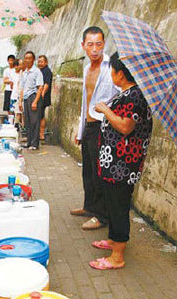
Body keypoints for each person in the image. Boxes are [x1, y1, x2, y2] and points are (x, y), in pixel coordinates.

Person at [89, 52, 153, 270]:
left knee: (118, 207)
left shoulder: (136, 97)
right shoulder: (126, 93)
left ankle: (117, 256)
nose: (111, 74)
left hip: (122, 166)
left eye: (113, 70)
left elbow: (126, 126)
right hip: (112, 163)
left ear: (120, 73)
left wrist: (106, 110)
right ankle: (114, 241)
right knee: (112, 203)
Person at [70, 26, 119, 231]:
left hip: (104, 126)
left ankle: (101, 215)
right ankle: (89, 207)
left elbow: (120, 95)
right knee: (88, 171)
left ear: (104, 44)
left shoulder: (112, 68)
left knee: (100, 172)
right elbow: (85, 101)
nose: (95, 49)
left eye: (99, 44)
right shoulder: (86, 68)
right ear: (83, 46)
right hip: (89, 125)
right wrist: (80, 130)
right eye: (90, 44)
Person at [20, 51, 44, 150]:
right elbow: (22, 88)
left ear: (33, 60)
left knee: (35, 122)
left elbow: (40, 87)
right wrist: (20, 101)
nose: (27, 60)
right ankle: (29, 142)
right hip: (26, 98)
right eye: (26, 58)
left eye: (30, 58)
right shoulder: (24, 73)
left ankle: (34, 144)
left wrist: (35, 101)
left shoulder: (37, 72)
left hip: (33, 97)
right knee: (28, 122)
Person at [37, 55, 53, 140]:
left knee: (41, 115)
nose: (39, 63)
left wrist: (42, 95)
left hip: (43, 97)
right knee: (39, 115)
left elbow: (46, 85)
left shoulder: (47, 71)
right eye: (38, 61)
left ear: (46, 62)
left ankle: (41, 134)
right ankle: (39, 133)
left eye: (41, 61)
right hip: (39, 96)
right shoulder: (39, 71)